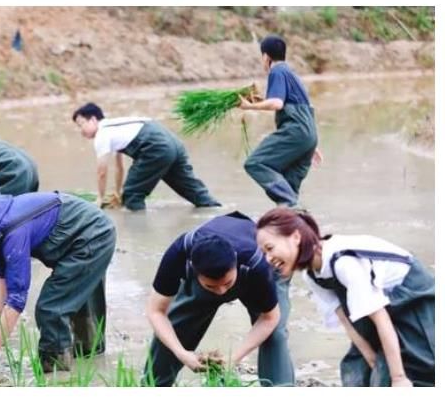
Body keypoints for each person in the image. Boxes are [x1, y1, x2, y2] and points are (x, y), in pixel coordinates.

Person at [0, 191, 116, 372]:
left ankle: (57, 371)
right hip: (84, 230)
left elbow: (17, 299)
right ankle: (91, 361)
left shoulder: (12, 232)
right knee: (79, 299)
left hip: (92, 235)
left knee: (51, 308)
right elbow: (2, 264)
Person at [256, 208, 434, 387]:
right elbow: (347, 322)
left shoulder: (344, 262)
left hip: (414, 300)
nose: (268, 259)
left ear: (295, 237)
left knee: (420, 367)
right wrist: (374, 364)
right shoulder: (312, 275)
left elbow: (381, 319)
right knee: (358, 372)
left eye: (270, 248)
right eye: (263, 253)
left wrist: (398, 378)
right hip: (382, 311)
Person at [143, 211, 294, 386]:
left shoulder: (256, 263)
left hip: (261, 267)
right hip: (216, 264)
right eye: (212, 286)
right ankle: (153, 385)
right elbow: (156, 311)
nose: (222, 292)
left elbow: (270, 318)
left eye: (227, 283)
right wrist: (181, 353)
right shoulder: (178, 254)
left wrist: (234, 359)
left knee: (274, 334)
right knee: (178, 324)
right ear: (194, 270)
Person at [72, 103, 221, 211]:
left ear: (93, 120)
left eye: (81, 124)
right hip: (172, 143)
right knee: (192, 189)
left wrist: (99, 199)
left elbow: (102, 172)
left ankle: (138, 225)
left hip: (157, 148)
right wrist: (117, 193)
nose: (80, 131)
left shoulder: (102, 135)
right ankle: (216, 210)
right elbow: (119, 167)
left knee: (132, 196)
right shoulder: (115, 126)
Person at [238, 35, 321, 207]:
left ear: (266, 57)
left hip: (297, 132)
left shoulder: (276, 72)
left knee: (255, 163)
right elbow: (303, 106)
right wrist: (310, 143)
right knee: (288, 186)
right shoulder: (291, 74)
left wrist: (249, 106)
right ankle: (296, 222)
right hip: (307, 135)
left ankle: (294, 209)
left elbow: (277, 103)